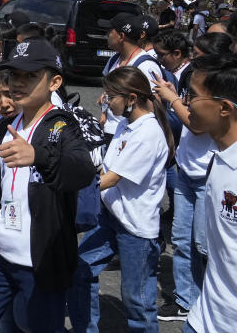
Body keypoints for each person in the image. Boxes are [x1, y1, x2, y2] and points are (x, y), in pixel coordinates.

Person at [0, 39, 95, 332]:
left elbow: (82, 169)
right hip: (0, 257)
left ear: (54, 82)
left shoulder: (60, 125)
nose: (18, 83)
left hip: (40, 264)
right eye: (13, 75)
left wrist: (39, 156)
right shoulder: (6, 124)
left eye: (30, 76)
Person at [69, 67, 176, 333]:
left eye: (110, 96)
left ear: (131, 98)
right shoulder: (127, 126)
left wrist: (68, 190)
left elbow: (111, 178)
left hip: (135, 228)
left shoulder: (148, 133)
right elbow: (105, 169)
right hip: (110, 215)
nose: (105, 100)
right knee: (81, 270)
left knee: (137, 301)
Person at [152, 31, 214, 321]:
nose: (193, 60)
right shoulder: (193, 80)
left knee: (203, 245)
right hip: (187, 170)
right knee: (181, 239)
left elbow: (199, 124)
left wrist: (173, 98)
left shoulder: (218, 87)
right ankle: (186, 300)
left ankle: (206, 301)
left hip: (207, 176)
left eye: (198, 56)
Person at [177, 53, 237, 333]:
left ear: (224, 108)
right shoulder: (218, 158)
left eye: (193, 95)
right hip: (203, 318)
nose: (185, 102)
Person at [99, 13, 164, 142]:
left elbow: (154, 107)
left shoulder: (146, 66)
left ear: (121, 36)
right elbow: (109, 91)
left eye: (110, 31)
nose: (107, 35)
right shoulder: (114, 59)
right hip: (111, 130)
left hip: (130, 136)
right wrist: (104, 113)